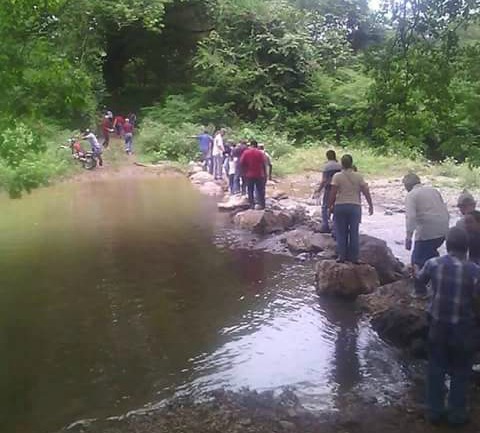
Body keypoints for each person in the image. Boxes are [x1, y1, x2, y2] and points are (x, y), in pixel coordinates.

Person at [416, 227, 480, 426]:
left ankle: (435, 412)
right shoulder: (475, 270)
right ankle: (457, 415)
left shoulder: (434, 263)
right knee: (461, 372)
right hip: (464, 328)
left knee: (436, 368)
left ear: (447, 245)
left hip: (438, 326)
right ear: (466, 248)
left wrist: (416, 273)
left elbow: (420, 282)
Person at [402, 173, 449, 296]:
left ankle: (420, 291)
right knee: (432, 256)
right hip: (443, 229)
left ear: (407, 186)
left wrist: (408, 237)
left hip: (427, 231)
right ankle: (436, 285)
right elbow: (443, 208)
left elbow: (410, 217)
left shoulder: (411, 195)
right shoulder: (433, 190)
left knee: (417, 260)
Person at [328, 154, 373, 263]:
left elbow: (333, 193)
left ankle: (342, 256)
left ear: (342, 164)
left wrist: (330, 206)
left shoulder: (337, 176)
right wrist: (370, 205)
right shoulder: (358, 176)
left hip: (340, 206)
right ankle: (355, 258)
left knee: (341, 232)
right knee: (354, 232)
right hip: (355, 206)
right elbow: (365, 191)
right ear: (351, 163)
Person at [314, 150, 342, 233]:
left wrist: (319, 190)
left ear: (327, 157)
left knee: (325, 207)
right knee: (336, 206)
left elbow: (324, 180)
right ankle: (335, 226)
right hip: (338, 189)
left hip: (329, 188)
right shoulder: (340, 166)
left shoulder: (327, 166)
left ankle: (325, 225)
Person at [240, 140, 267, 209]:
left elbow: (241, 163)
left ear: (251, 145)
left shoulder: (246, 152)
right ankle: (262, 205)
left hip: (249, 174)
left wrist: (244, 172)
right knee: (260, 190)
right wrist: (265, 174)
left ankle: (251, 205)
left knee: (250, 190)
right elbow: (264, 164)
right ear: (256, 145)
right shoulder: (260, 153)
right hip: (259, 174)